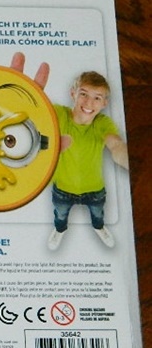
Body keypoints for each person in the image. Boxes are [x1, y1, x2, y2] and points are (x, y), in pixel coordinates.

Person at [47, 71, 128, 251]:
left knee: (98, 215)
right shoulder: (59, 114)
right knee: (60, 215)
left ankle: (99, 228)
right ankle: (60, 230)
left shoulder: (103, 123)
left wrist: (133, 163)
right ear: (73, 93)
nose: (89, 103)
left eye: (97, 98)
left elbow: (116, 145)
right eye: (84, 94)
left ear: (105, 103)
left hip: (94, 190)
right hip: (62, 189)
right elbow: (34, 111)